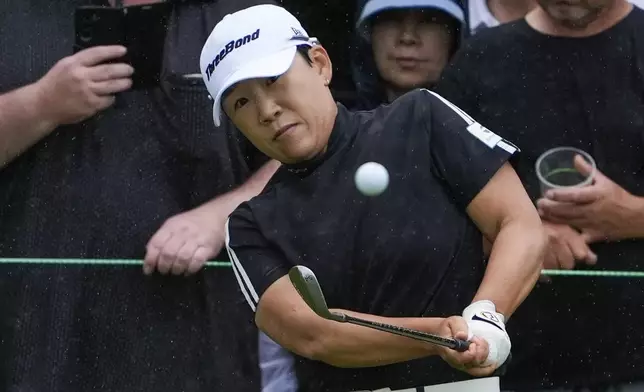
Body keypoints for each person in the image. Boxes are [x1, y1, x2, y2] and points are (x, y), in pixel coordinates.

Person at [200, 4, 546, 391]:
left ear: (319, 64)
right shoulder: (251, 224)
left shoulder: (422, 117)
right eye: (241, 103)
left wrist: (486, 316)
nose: (266, 110)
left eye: (274, 80)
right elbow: (315, 335)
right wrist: (438, 335)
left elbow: (519, 224)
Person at [0, 0, 280, 391]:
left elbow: (317, 145)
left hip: (198, 346)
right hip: (35, 344)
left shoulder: (241, 17)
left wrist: (223, 215)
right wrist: (40, 104)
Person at [435, 0, 644, 390]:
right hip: (524, 364)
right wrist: (518, 237)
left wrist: (632, 216)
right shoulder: (481, 60)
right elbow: (433, 209)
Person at [351, 0, 466, 110]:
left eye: (429, 20)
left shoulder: (481, 127)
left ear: (454, 37)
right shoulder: (341, 129)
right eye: (391, 19)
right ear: (368, 35)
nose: (407, 37)